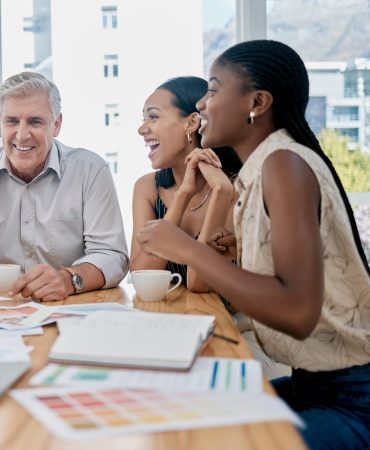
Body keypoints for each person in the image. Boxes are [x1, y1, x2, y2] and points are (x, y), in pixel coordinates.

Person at [136, 40, 370, 449]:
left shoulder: (285, 163)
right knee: (182, 420)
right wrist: (239, 257)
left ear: (257, 103)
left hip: (351, 398)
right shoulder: (261, 170)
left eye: (212, 90)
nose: (203, 105)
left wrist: (188, 249)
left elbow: (296, 311)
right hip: (312, 386)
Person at [0, 71, 129, 302]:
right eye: (11, 121)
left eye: (35, 121)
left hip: (69, 309)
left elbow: (112, 255)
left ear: (56, 125)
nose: (22, 134)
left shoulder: (90, 170)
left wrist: (69, 279)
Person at [131, 76, 241, 292]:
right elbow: (140, 276)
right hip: (167, 317)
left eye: (153, 117)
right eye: (143, 118)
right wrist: (183, 196)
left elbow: (199, 284)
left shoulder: (235, 187)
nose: (142, 129)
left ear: (191, 123)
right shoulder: (147, 188)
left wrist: (221, 193)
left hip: (223, 320)